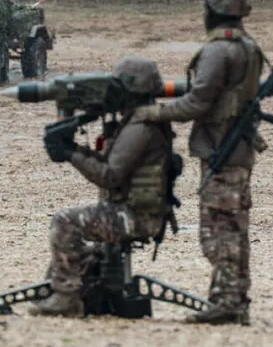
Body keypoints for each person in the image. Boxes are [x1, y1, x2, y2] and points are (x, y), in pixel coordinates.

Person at [131, 0, 265, 325]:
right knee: (233, 229)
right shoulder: (247, 46)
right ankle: (230, 300)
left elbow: (198, 101)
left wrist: (153, 113)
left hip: (223, 148)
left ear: (214, 10)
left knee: (217, 233)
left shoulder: (219, 50)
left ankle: (228, 304)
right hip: (237, 148)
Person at [29, 57, 175, 318]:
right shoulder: (134, 122)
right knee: (86, 251)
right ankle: (69, 289)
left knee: (65, 222)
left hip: (137, 218)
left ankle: (66, 297)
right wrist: (76, 149)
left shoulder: (140, 128)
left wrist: (71, 154)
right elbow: (111, 166)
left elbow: (109, 176)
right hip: (132, 211)